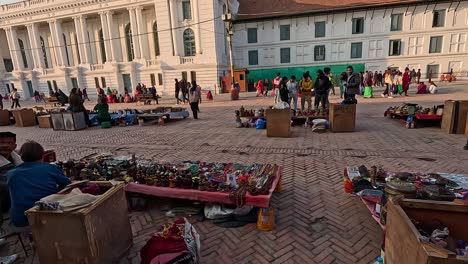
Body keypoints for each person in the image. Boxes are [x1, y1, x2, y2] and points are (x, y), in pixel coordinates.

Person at [7, 141, 71, 227]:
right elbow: (68, 185)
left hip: (21, 219)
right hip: (48, 214)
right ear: (42, 155)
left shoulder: (11, 173)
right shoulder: (50, 168)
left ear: (21, 156)